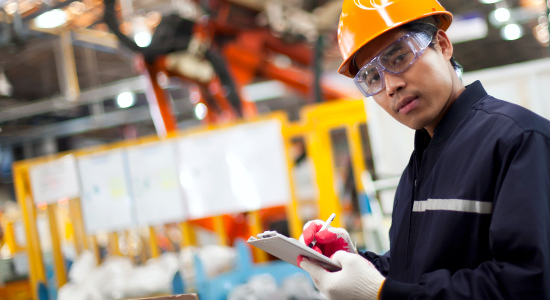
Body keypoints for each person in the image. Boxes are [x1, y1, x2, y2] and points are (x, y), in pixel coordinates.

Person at [296, 0, 550, 299]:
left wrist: (381, 293)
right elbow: (413, 271)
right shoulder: (419, 166)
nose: (390, 86)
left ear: (442, 46)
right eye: (372, 77)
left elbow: (526, 285)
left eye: (398, 57)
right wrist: (354, 262)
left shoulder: (518, 140)